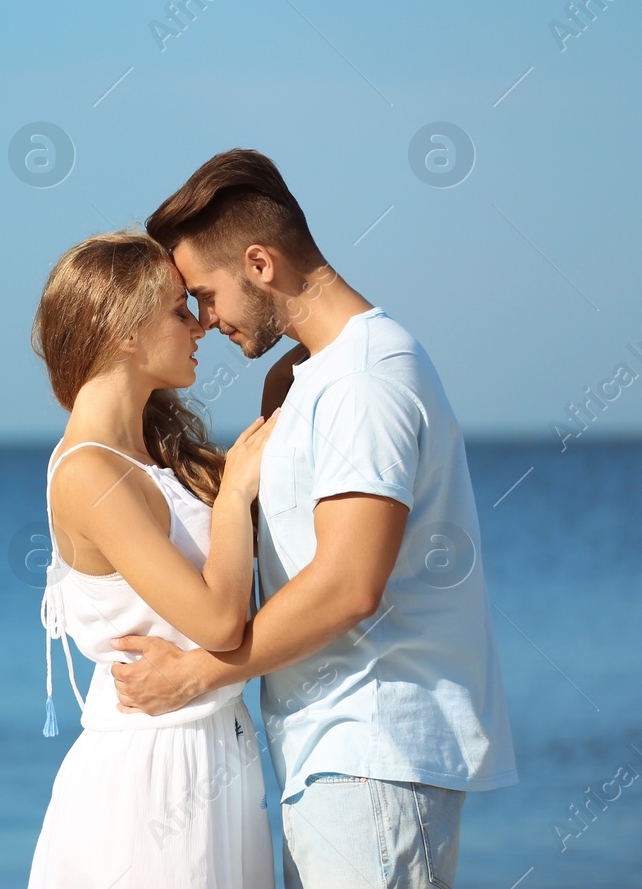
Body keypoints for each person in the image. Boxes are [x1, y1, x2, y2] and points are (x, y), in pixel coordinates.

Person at [111, 148, 518, 887]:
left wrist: (195, 674)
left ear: (260, 264)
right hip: (332, 761)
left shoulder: (365, 377)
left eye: (205, 294)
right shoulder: (305, 380)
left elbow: (347, 584)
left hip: (372, 759)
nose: (203, 321)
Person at [27, 228, 277, 888]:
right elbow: (220, 622)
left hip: (207, 752)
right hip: (150, 779)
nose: (199, 324)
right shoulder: (86, 473)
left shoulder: (154, 454)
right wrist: (234, 498)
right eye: (177, 309)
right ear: (125, 330)